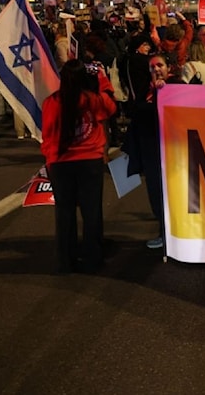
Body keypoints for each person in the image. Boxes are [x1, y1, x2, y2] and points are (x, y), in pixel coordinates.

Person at [40, 59, 116, 273]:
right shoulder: (91, 100)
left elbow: (47, 134)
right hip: (89, 161)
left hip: (60, 163)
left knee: (64, 213)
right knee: (91, 211)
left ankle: (66, 259)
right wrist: (101, 77)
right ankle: (93, 257)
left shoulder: (51, 102)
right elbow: (111, 105)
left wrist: (49, 157)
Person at [123, 54, 182, 249]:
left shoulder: (178, 86)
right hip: (150, 151)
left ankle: (177, 234)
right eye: (152, 67)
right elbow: (137, 112)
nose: (156, 69)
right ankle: (163, 232)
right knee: (156, 194)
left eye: (160, 65)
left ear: (168, 67)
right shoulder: (144, 89)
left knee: (175, 193)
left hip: (173, 151)